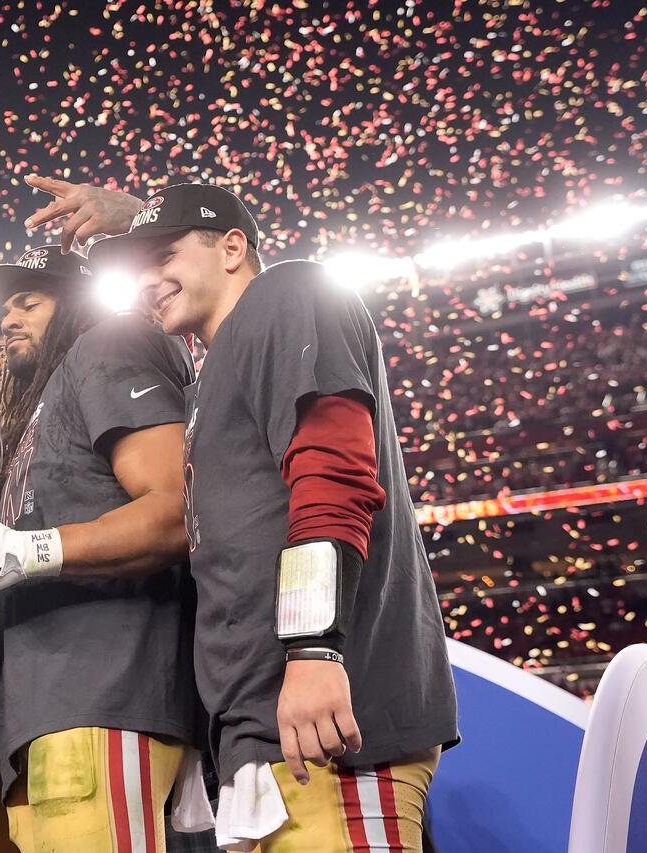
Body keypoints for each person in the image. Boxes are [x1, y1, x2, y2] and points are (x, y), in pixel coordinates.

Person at [71, 180, 459, 850]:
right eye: (139, 269)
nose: (148, 280)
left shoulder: (288, 294)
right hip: (266, 731)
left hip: (329, 723)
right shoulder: (208, 376)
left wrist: (313, 648)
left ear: (232, 248)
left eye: (163, 257)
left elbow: (332, 473)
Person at [0, 244, 199, 853]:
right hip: (37, 711)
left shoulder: (108, 344)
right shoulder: (27, 422)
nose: (7, 321)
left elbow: (175, 510)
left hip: (106, 692)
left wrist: (27, 551)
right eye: (2, 313)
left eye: (29, 302)